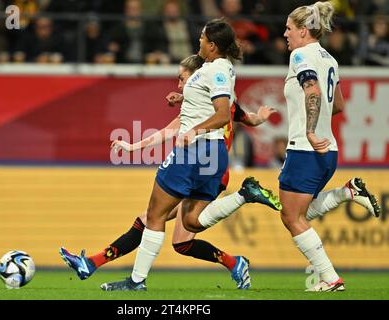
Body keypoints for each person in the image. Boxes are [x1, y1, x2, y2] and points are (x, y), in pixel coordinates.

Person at [59, 54, 278, 290]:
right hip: (214, 170)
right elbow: (248, 118)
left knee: (154, 218)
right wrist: (261, 118)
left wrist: (134, 146)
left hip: (198, 166)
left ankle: (119, 275)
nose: (180, 84)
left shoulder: (201, 107)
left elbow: (168, 131)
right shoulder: (224, 104)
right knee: (179, 238)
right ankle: (235, 261)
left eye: (182, 79)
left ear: (196, 78)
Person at [279, 1, 380, 292]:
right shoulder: (330, 60)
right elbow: (338, 104)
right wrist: (319, 125)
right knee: (297, 214)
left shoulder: (300, 55)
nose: (285, 34)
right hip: (328, 150)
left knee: (291, 217)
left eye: (288, 28)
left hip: (306, 147)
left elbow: (312, 90)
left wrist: (309, 129)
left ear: (303, 30)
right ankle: (346, 192)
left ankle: (331, 278)